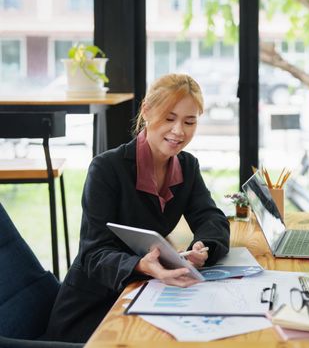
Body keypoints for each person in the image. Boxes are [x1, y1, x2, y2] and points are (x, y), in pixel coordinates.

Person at [45, 74, 230, 343]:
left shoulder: (187, 166)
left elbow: (210, 216)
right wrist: (141, 265)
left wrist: (204, 246)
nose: (179, 131)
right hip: (93, 310)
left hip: (144, 295)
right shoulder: (106, 169)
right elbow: (93, 253)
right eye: (169, 118)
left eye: (189, 122)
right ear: (146, 111)